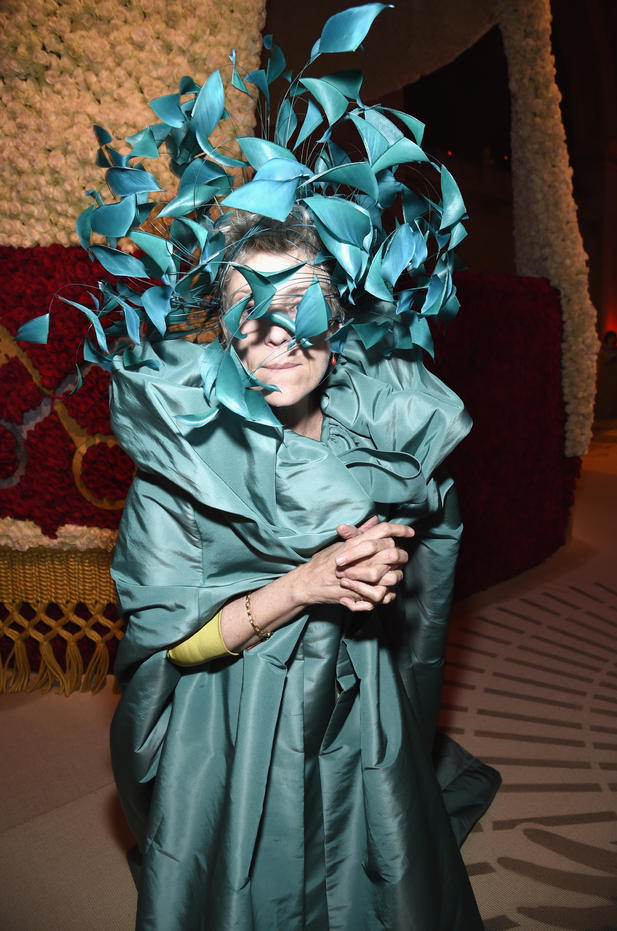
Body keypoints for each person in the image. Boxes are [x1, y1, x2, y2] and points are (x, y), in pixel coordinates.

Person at [17, 6, 500, 927]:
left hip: (363, 716)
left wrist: (388, 557)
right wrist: (302, 586)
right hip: (235, 728)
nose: (277, 337)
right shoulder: (180, 464)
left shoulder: (389, 424)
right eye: (250, 310)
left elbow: (427, 577)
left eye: (305, 310)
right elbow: (171, 650)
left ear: (342, 321)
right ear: (225, 324)